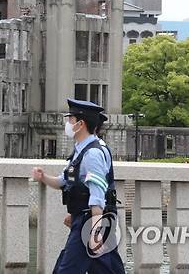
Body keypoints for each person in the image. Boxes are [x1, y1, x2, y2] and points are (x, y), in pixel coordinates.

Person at [31, 98, 124, 274]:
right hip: (86, 220)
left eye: (70, 119)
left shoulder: (92, 154)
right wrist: (43, 177)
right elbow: (64, 181)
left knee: (67, 269)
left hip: (90, 222)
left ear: (80, 124)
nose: (67, 123)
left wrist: (95, 232)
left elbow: (97, 197)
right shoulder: (81, 150)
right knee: (106, 268)